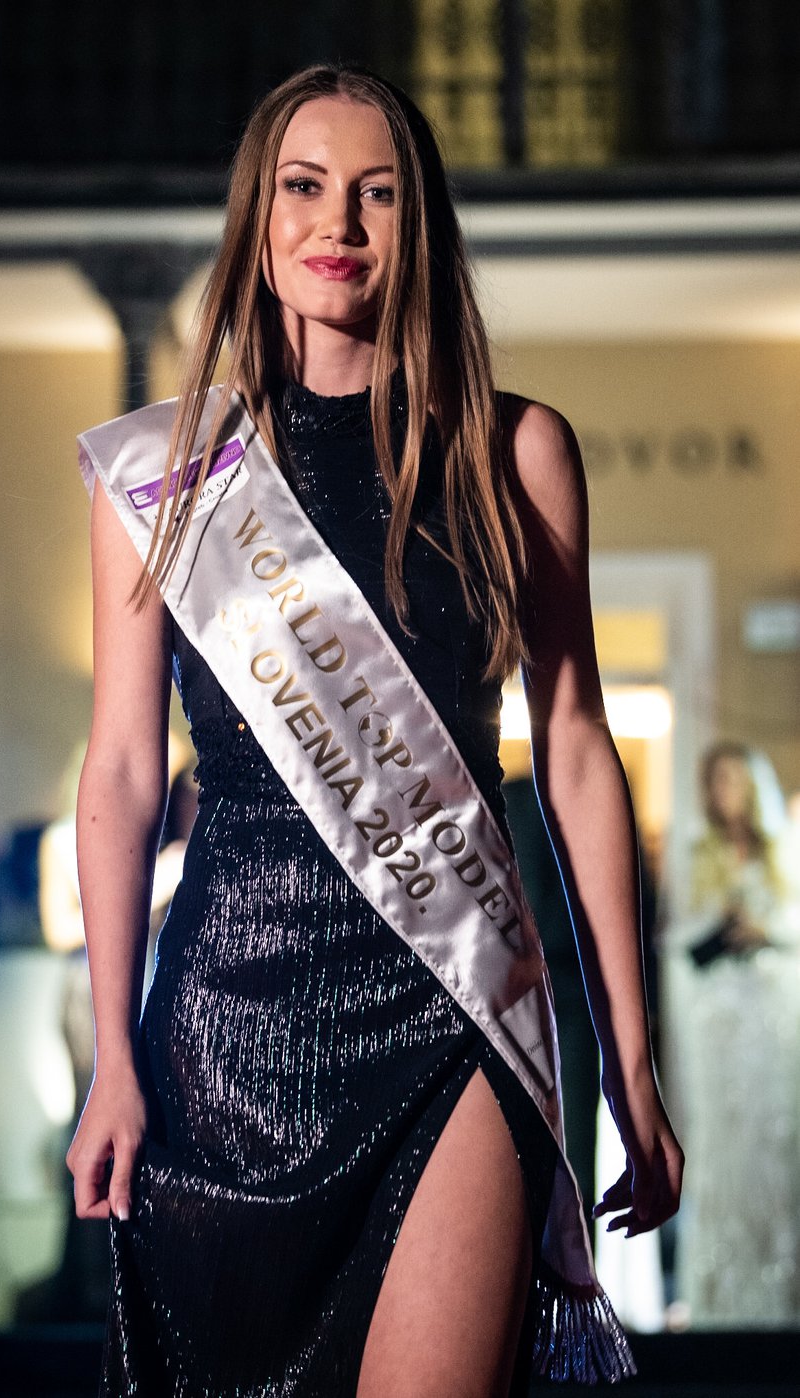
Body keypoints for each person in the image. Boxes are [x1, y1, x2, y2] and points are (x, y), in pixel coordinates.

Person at [66, 65, 682, 1396]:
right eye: (304, 186)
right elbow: (120, 769)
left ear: (421, 224)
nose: (337, 222)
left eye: (378, 192)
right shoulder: (166, 474)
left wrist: (628, 1061)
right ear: (259, 220)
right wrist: (111, 1056)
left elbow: (574, 748)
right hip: (227, 1023)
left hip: (450, 1007)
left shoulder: (513, 451)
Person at [665, 742, 800, 1326]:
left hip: (772, 1019)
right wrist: (721, 929)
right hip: (719, 1022)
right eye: (717, 781)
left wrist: (764, 931)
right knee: (725, 1144)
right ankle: (721, 1294)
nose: (727, 792)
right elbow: (677, 941)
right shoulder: (698, 855)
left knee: (774, 1142)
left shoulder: (782, 854)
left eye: (735, 780)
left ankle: (781, 1289)